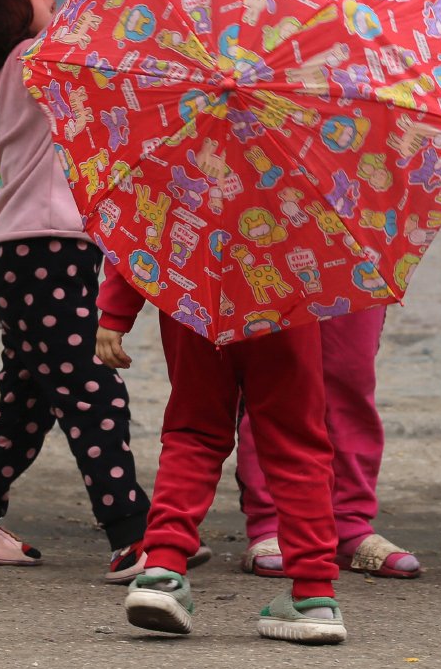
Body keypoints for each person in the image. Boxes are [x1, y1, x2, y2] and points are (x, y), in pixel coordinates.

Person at [234, 0, 421, 582]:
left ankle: (350, 520)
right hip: (275, 202)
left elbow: (418, 75)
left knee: (349, 368)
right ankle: (273, 518)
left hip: (361, 201)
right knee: (282, 371)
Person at [0, 0, 157, 582]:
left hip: (26, 259)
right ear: (6, 15)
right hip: (52, 255)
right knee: (93, 393)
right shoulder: (38, 58)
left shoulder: (5, 74)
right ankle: (133, 537)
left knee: (27, 401)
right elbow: (103, 27)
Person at [97, 258, 348, 644]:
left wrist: (116, 312)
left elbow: (140, 233)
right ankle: (313, 595)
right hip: (285, 301)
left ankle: (162, 571)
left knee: (192, 433)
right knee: (297, 444)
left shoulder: (176, 190)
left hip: (195, 299)